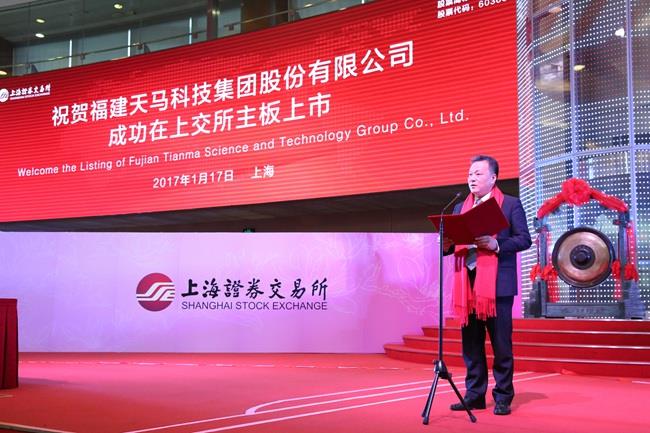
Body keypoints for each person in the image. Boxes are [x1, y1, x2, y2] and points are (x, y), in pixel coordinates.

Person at [443, 155, 531, 416]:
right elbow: (452, 245)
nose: (472, 178)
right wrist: (447, 244)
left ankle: (503, 396)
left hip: (497, 286)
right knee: (471, 345)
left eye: (478, 174)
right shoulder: (459, 208)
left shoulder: (510, 204)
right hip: (467, 284)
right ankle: (474, 395)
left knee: (501, 344)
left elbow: (524, 239)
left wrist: (497, 244)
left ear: (493, 178)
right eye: (470, 173)